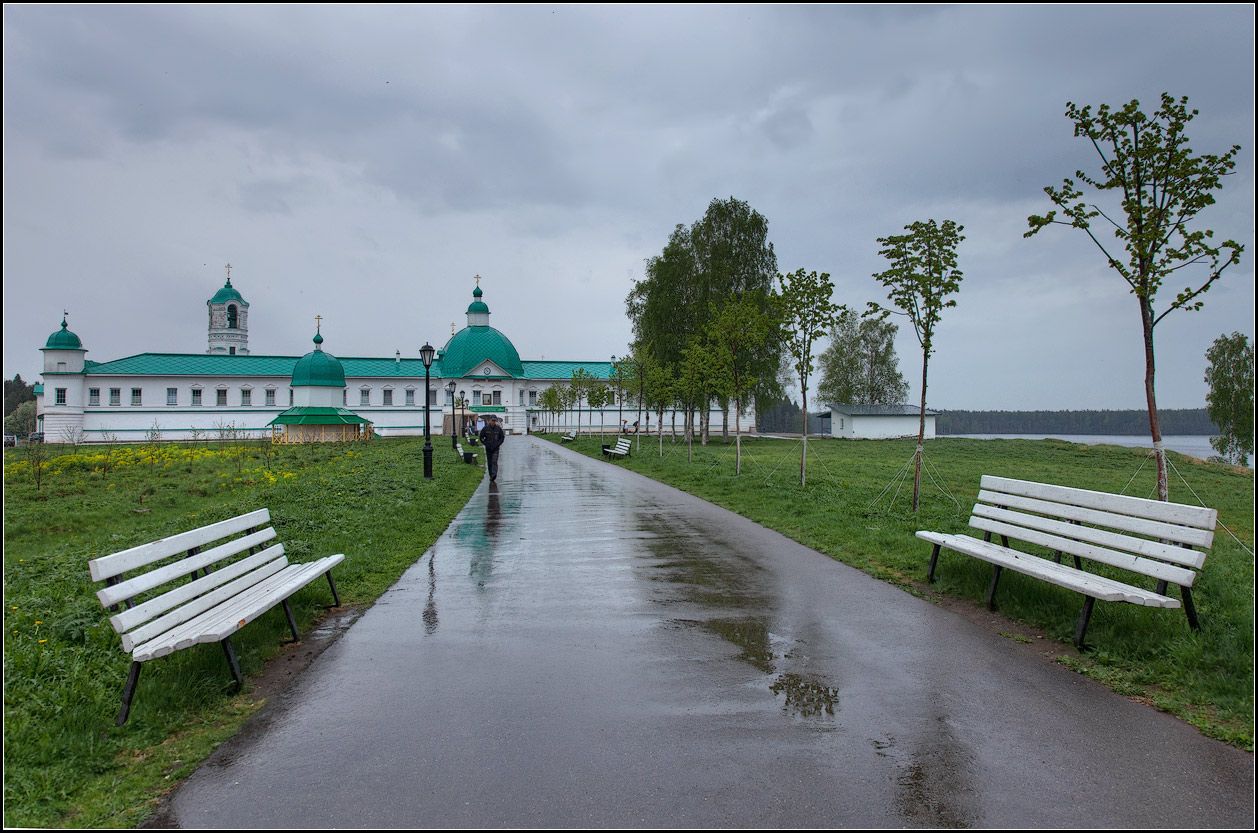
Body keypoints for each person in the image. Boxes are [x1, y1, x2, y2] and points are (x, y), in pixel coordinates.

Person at [478, 414, 506, 482]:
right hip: (488, 448)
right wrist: (486, 444)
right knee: (490, 462)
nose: (493, 422)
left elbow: (502, 437)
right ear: (489, 420)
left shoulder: (498, 429)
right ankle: (491, 475)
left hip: (495, 448)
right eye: (492, 420)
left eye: (494, 420)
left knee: (494, 461)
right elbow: (481, 437)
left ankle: (494, 474)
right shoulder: (485, 428)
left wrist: (498, 444)